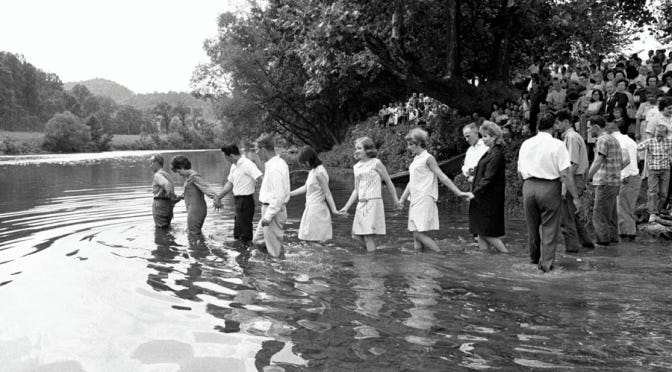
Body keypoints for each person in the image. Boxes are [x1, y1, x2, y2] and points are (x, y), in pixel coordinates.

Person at [518, 112, 582, 272]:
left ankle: (533, 261)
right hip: (549, 187)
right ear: (553, 126)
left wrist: (526, 187)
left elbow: (519, 171)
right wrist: (575, 197)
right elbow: (566, 173)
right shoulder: (558, 144)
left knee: (532, 228)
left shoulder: (526, 143)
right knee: (549, 228)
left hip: (529, 186)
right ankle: (545, 266)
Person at [397, 128, 471, 252]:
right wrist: (403, 198)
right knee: (416, 235)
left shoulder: (428, 158)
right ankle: (419, 261)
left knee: (417, 234)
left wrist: (458, 192)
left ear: (419, 143)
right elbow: (412, 181)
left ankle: (440, 255)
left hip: (425, 198)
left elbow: (442, 176)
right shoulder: (416, 159)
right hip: (415, 199)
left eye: (411, 144)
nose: (408, 147)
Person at [339, 137, 400, 252]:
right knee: (355, 236)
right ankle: (375, 253)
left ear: (367, 150)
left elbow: (388, 182)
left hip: (373, 202)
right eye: (356, 148)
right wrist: (346, 207)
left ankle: (371, 262)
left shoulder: (376, 163)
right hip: (361, 205)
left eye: (359, 148)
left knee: (367, 237)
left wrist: (396, 201)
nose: (356, 150)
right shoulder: (356, 167)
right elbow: (356, 190)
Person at [464, 122, 508, 253]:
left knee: (487, 233)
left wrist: (474, 192)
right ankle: (484, 260)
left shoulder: (497, 153)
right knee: (480, 232)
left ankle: (506, 255)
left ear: (494, 137)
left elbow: (489, 177)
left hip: (489, 199)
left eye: (485, 136)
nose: (483, 139)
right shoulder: (490, 151)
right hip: (482, 198)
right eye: (482, 136)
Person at [554, 110, 594, 253]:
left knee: (566, 217)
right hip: (577, 178)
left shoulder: (571, 137)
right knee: (572, 214)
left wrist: (565, 185)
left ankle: (571, 251)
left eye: (558, 123)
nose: (556, 126)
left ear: (566, 122)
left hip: (574, 178)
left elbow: (572, 163)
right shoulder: (572, 137)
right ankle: (587, 244)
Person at [214, 144, 263, 245]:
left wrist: (265, 195)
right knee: (238, 232)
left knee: (245, 232)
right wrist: (219, 197)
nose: (226, 159)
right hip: (238, 201)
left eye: (226, 157)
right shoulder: (234, 166)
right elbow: (230, 183)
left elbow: (260, 178)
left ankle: (248, 252)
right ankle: (241, 251)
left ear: (231, 156)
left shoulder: (248, 164)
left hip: (246, 200)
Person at [586, 116, 624, 246]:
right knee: (611, 216)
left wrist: (586, 177)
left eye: (589, 127)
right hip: (614, 182)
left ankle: (602, 245)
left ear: (596, 127)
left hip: (604, 182)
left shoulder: (601, 140)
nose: (588, 130)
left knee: (599, 216)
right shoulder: (614, 139)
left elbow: (598, 160)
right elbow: (623, 161)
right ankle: (613, 245)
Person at [290, 146, 340, 242]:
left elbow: (327, 192)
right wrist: (289, 194)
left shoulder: (319, 172)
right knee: (313, 239)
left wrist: (334, 210)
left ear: (309, 159)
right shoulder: (313, 171)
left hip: (316, 209)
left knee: (312, 240)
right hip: (311, 208)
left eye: (303, 162)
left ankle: (322, 256)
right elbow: (305, 188)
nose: (303, 165)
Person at [252, 134, 290, 257]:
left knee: (274, 251)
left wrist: (268, 216)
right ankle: (277, 260)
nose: (256, 153)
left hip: (273, 211)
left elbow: (278, 196)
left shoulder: (275, 167)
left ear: (263, 148)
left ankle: (278, 270)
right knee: (257, 241)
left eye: (256, 149)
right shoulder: (275, 164)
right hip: (270, 210)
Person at [170, 155, 219, 235]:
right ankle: (199, 245)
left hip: (196, 210)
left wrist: (216, 197)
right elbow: (191, 191)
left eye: (178, 171)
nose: (179, 174)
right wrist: (180, 197)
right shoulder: (189, 177)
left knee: (193, 233)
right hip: (193, 209)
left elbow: (205, 188)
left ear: (182, 167)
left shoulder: (194, 176)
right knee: (192, 232)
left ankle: (198, 247)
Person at [637, 125, 672, 222]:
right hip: (653, 170)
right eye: (657, 132)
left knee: (664, 193)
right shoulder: (650, 141)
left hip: (665, 170)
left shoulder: (669, 142)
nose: (659, 135)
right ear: (655, 132)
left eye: (661, 133)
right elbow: (638, 147)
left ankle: (659, 211)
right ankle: (653, 213)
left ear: (665, 134)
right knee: (653, 192)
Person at [612, 127, 640, 241]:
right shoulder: (630, 141)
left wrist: (623, 175)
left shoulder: (619, 141)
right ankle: (627, 235)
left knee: (624, 208)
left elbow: (626, 159)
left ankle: (627, 235)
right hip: (634, 176)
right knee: (627, 207)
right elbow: (637, 158)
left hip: (627, 177)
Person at [150, 154, 181, 228]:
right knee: (166, 228)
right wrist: (172, 199)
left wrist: (169, 195)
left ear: (156, 163)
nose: (150, 166)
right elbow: (170, 189)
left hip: (160, 205)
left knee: (160, 228)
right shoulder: (168, 175)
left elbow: (166, 184)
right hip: (168, 206)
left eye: (151, 163)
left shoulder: (157, 175)